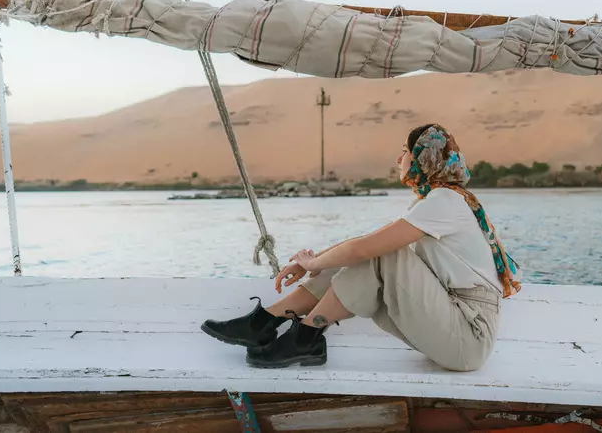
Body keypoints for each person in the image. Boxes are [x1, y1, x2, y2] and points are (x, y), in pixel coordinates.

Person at [201, 123, 521, 371]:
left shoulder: (444, 202)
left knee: (381, 255)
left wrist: (314, 263)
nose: (398, 159)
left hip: (469, 336)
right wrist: (318, 262)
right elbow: (368, 242)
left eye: (405, 151)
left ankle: (305, 336)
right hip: (453, 323)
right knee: (375, 254)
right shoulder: (437, 201)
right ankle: (267, 322)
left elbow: (368, 247)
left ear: (424, 159)